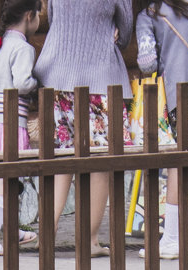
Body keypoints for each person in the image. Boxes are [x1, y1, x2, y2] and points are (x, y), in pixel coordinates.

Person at [34, 0, 134, 256]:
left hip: (58, 76)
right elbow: (125, 31)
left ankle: (48, 231)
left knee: (60, 159)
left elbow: (54, 18)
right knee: (100, 163)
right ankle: (88, 241)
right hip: (99, 79)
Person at [135, 0, 188, 258]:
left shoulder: (149, 14)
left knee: (176, 164)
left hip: (179, 96)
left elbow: (147, 63)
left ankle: (172, 240)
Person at [0, 0, 43, 256]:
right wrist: (38, 82)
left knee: (6, 181)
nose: (40, 19)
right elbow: (22, 82)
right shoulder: (23, 48)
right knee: (4, 184)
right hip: (9, 124)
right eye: (39, 14)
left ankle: (11, 231)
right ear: (29, 16)